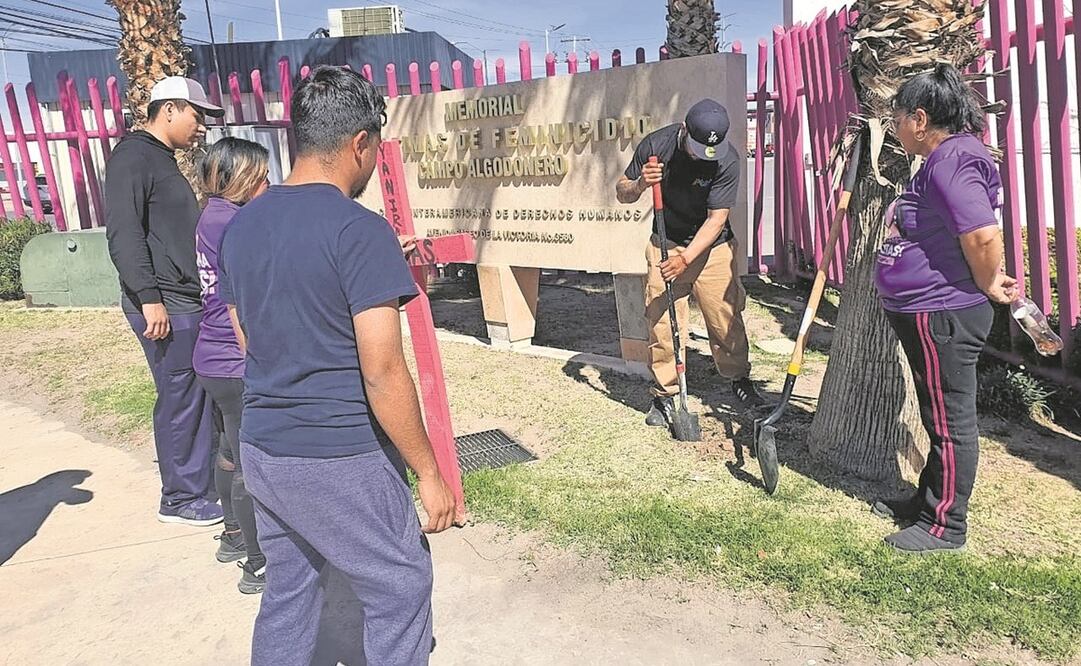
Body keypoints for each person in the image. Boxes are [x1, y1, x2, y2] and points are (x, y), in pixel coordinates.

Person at [217, 65, 456, 665]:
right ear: (360, 143)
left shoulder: (241, 227)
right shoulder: (360, 230)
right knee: (401, 584)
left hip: (264, 445)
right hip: (338, 453)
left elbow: (247, 337)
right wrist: (427, 471)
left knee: (290, 589)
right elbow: (382, 371)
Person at [872, 63, 1018, 554]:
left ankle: (946, 526)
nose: (894, 128)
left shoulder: (954, 160)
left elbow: (981, 233)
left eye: (896, 118)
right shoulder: (943, 160)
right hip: (930, 312)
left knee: (950, 422)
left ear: (919, 118)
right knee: (938, 417)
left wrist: (988, 280)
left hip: (944, 313)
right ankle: (927, 503)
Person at [104, 76, 226, 525]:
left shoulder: (162, 158)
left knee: (196, 393)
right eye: (197, 116)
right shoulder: (133, 157)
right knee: (181, 396)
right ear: (169, 109)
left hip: (181, 299)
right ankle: (180, 498)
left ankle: (203, 484)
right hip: (164, 304)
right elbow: (124, 234)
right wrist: (149, 298)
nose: (201, 127)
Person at [616, 98, 763, 427]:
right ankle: (664, 394)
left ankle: (738, 378)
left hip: (712, 247)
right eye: (698, 148)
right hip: (665, 242)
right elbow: (622, 191)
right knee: (662, 321)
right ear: (684, 130)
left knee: (725, 319)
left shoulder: (728, 160)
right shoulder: (656, 146)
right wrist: (641, 183)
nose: (704, 157)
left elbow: (716, 220)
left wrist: (685, 259)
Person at [192, 137, 270, 593]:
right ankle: (257, 562)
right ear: (240, 180)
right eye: (261, 178)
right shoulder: (236, 225)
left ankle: (234, 536)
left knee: (227, 449)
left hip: (211, 357)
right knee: (248, 463)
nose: (267, 185)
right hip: (234, 358)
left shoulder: (211, 215)